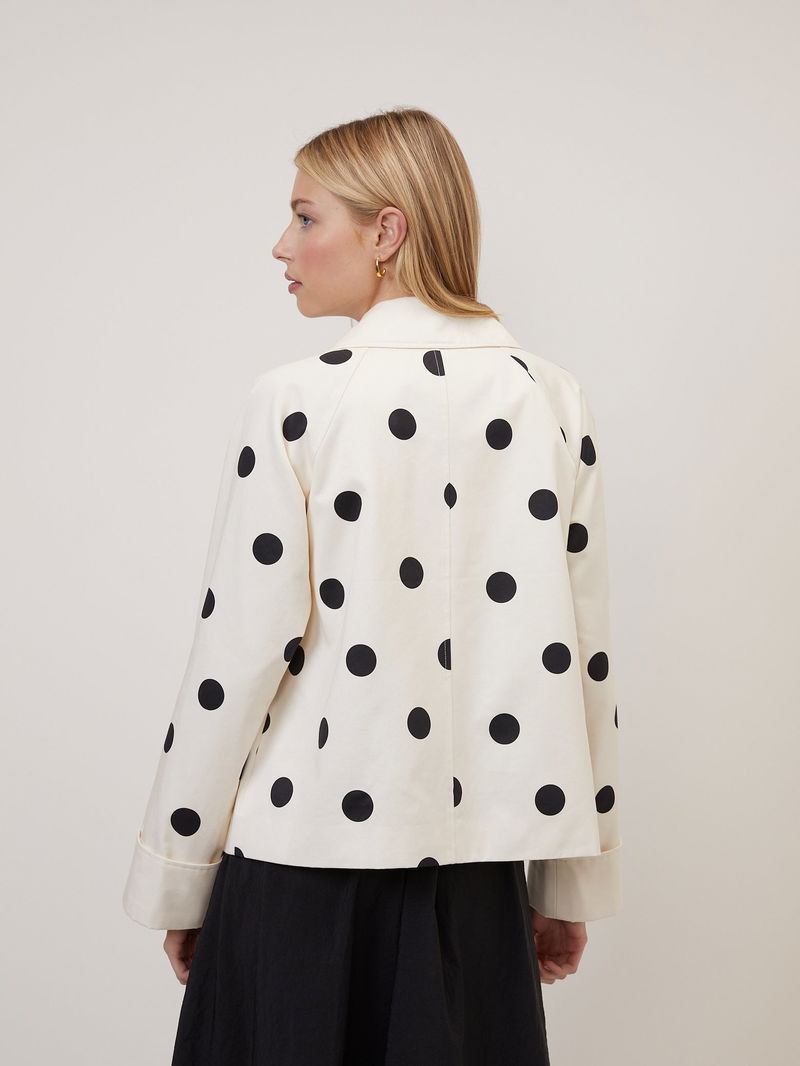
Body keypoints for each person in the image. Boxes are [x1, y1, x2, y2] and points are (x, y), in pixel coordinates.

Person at [122, 106, 622, 1065]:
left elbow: (237, 655)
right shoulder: (553, 398)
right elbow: (581, 659)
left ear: (386, 231)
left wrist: (181, 876)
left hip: (300, 870)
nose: (282, 245)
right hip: (477, 881)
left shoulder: (298, 399)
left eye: (306, 216)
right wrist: (567, 884)